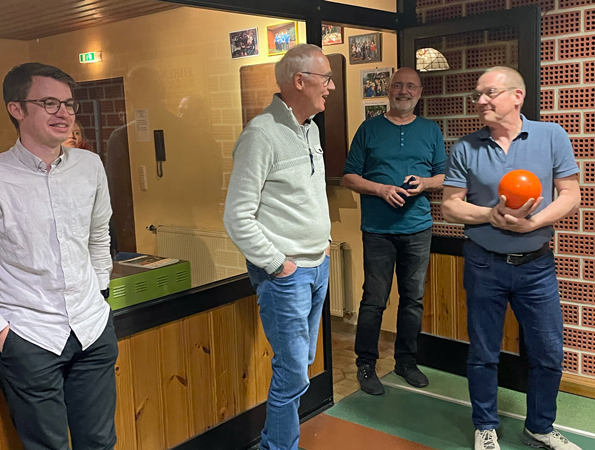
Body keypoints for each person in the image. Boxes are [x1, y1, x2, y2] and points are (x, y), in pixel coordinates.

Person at [0, 62, 118, 450]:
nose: (64, 113)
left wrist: (100, 294)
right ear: (16, 109)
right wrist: (2, 335)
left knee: (99, 443)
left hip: (92, 330)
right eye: (49, 103)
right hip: (29, 338)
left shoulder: (90, 166)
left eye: (68, 103)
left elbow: (99, 238)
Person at [441, 66, 581, 450]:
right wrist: (491, 215)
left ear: (517, 96)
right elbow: (451, 206)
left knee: (548, 352)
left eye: (489, 93)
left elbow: (571, 194)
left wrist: (532, 222)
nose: (480, 101)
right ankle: (485, 426)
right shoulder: (466, 147)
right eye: (477, 94)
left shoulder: (552, 136)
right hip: (483, 263)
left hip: (537, 265)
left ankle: (540, 428)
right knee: (483, 352)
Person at [224, 44, 334, 450]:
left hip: (317, 266)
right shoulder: (260, 134)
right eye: (326, 79)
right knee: (292, 372)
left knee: (301, 365)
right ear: (299, 81)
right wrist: (277, 264)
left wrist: (323, 247)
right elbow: (237, 216)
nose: (331, 87)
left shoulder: (311, 129)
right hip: (287, 276)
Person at [343, 67, 446, 396]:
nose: (404, 91)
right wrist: (381, 189)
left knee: (413, 300)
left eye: (411, 86)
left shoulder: (430, 130)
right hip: (378, 230)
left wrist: (425, 183)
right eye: (398, 85)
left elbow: (444, 175)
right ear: (388, 90)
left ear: (420, 92)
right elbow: (349, 177)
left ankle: (405, 361)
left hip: (418, 228)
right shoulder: (369, 129)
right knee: (374, 300)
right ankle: (366, 364)